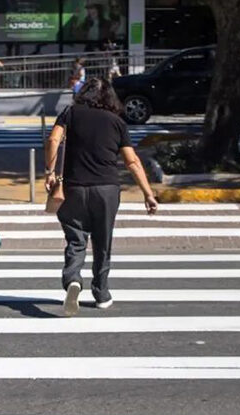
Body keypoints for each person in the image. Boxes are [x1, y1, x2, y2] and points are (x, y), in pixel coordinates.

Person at [44, 77, 158, 317]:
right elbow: (132, 161)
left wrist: (50, 172)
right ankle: (101, 293)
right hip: (106, 189)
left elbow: (53, 139)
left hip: (73, 188)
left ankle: (73, 279)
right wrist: (148, 193)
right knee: (102, 241)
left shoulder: (70, 113)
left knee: (76, 240)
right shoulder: (117, 122)